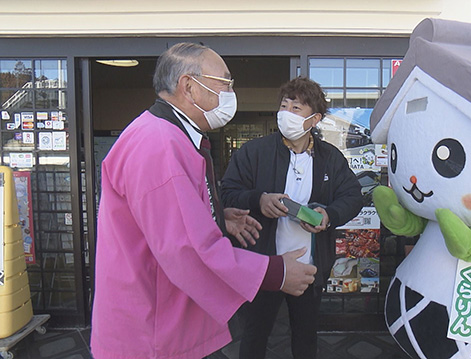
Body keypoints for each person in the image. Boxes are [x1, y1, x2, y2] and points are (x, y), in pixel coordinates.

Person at [90, 43, 317, 359]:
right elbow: (186, 248)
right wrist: (275, 273)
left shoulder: (164, 135)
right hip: (151, 332)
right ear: (189, 86)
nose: (230, 92)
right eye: (224, 82)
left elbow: (166, 219)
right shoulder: (160, 144)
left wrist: (219, 218)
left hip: (156, 320)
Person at [221, 76, 363, 358]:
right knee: (255, 335)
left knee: (305, 337)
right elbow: (227, 192)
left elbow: (353, 196)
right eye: (284, 106)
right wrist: (258, 200)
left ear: (314, 119)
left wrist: (328, 214)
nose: (286, 113)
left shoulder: (330, 158)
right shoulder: (254, 152)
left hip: (309, 268)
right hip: (264, 264)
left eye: (296, 108)